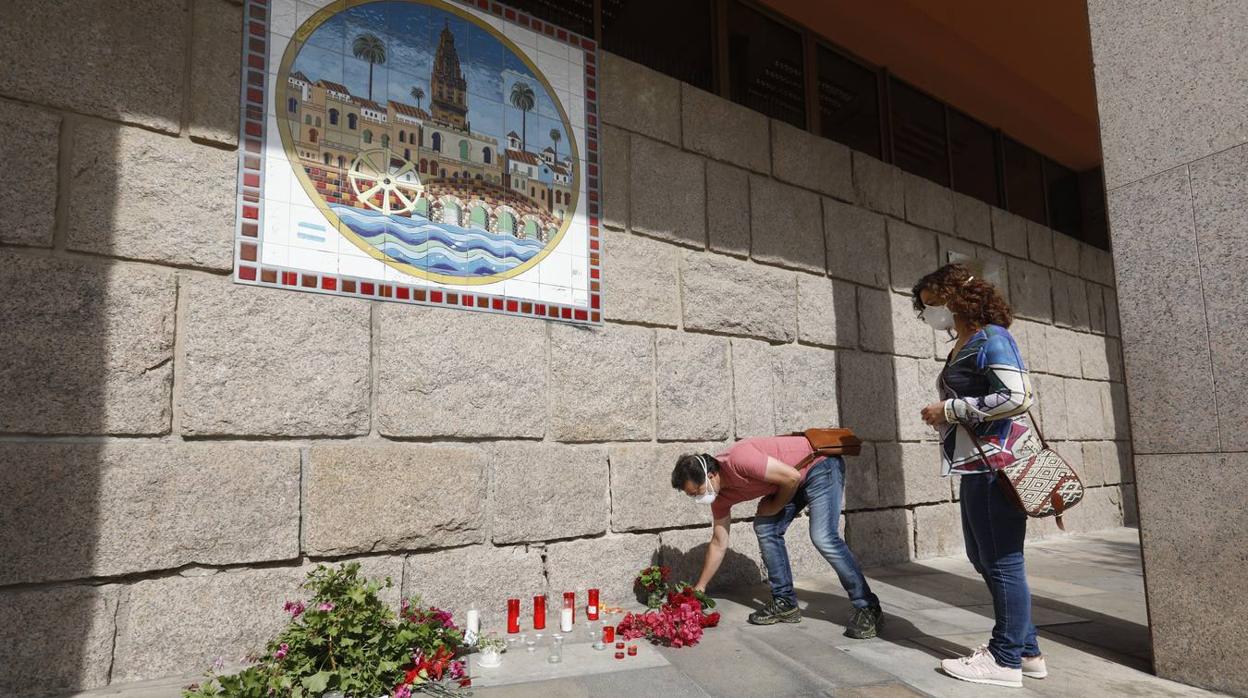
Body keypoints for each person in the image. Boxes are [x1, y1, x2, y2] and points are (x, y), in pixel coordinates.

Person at [911, 263, 1047, 688]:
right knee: (984, 557)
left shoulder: (992, 338)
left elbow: (1018, 395)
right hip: (978, 464)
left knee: (1003, 561)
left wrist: (948, 410)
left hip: (996, 465)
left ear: (957, 298)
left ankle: (1004, 660)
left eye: (933, 303)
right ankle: (1027, 652)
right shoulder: (967, 342)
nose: (930, 312)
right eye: (925, 307)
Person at [670, 436, 883, 638]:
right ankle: (785, 603)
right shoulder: (720, 498)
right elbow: (718, 542)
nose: (699, 497)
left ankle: (868, 607)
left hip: (819, 465)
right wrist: (701, 587)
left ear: (711, 475)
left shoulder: (738, 459)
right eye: (693, 495)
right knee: (766, 527)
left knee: (823, 536)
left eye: (697, 490)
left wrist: (774, 505)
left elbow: (791, 477)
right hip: (792, 479)